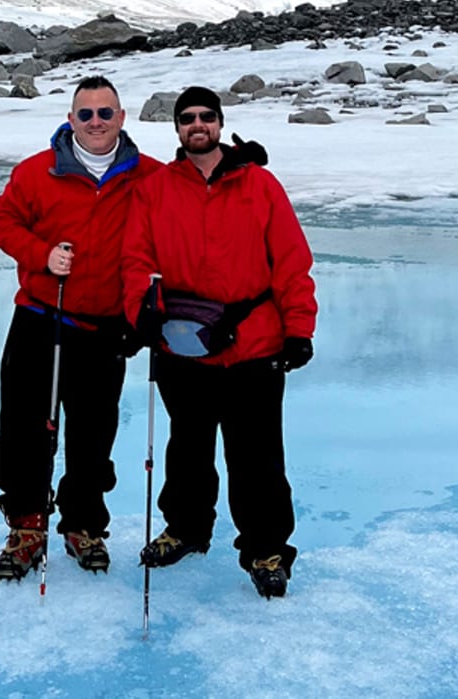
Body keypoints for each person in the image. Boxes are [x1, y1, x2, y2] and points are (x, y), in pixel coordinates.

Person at [122, 85, 317, 599]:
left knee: (257, 456)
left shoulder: (260, 186)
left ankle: (266, 548)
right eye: (187, 118)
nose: (197, 125)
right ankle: (185, 529)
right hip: (182, 342)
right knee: (187, 447)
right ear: (177, 129)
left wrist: (299, 329)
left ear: (220, 122)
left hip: (254, 344)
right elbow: (136, 261)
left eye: (206, 116)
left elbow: (292, 263)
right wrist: (140, 312)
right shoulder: (156, 189)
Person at [0, 75, 161, 582]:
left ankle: (83, 525)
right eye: (86, 114)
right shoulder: (37, 172)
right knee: (25, 428)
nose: (96, 123)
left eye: (106, 113)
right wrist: (41, 255)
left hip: (106, 327)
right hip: (42, 318)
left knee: (93, 431)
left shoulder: (148, 177)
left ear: (122, 119)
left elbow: (189, 202)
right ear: (71, 120)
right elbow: (3, 222)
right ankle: (27, 527)